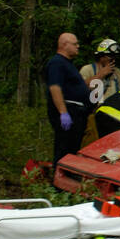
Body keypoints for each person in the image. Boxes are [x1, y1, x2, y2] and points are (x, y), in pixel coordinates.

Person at [45, 32, 90, 164]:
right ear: (64, 45)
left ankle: (69, 178)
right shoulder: (57, 63)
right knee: (64, 149)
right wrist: (63, 112)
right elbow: (55, 88)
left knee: (73, 149)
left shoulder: (69, 64)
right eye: (75, 44)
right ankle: (59, 181)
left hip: (78, 113)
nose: (78, 46)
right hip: (68, 111)